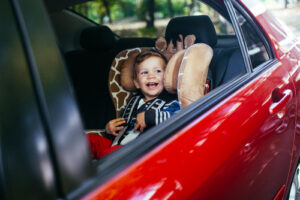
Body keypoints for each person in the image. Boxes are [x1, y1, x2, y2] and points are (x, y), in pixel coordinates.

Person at [87, 49, 180, 159]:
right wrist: (110, 129)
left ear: (166, 77)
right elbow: (124, 127)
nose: (151, 76)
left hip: (138, 153)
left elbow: (176, 119)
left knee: (112, 153)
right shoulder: (133, 101)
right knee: (89, 139)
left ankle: (100, 169)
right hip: (117, 145)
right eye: (144, 72)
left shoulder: (170, 102)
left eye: (158, 71)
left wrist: (150, 116)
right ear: (136, 83)